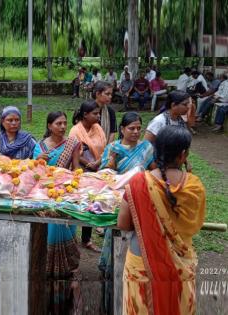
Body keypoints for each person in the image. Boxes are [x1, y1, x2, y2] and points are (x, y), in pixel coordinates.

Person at [118, 126, 205, 315]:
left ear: (156, 151)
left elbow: (123, 224)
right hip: (180, 263)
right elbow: (194, 224)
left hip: (142, 262)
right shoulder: (194, 186)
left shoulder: (138, 182)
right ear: (183, 155)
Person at [99, 112, 156, 314]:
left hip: (141, 198)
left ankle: (135, 271)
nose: (135, 132)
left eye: (138, 128)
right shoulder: (112, 147)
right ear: (122, 129)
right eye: (131, 128)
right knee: (116, 234)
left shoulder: (147, 148)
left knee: (138, 236)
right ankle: (110, 271)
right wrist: (113, 159)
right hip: (117, 198)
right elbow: (106, 174)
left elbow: (153, 169)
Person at [33, 112, 82, 313]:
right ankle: (48, 271)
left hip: (65, 194)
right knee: (50, 232)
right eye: (58, 123)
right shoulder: (40, 146)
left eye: (64, 123)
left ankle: (66, 272)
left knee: (66, 229)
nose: (62, 127)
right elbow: (34, 175)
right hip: (45, 195)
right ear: (49, 125)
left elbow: (77, 169)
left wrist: (71, 184)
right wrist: (38, 161)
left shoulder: (73, 143)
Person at [69, 101, 107, 251]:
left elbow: (104, 148)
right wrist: (88, 163)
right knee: (81, 203)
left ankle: (87, 239)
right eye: (95, 113)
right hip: (82, 170)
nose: (98, 116)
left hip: (97, 170)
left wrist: (97, 162)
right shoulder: (75, 131)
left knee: (93, 204)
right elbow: (75, 151)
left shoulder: (98, 128)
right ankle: (71, 236)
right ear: (85, 115)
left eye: (98, 113)